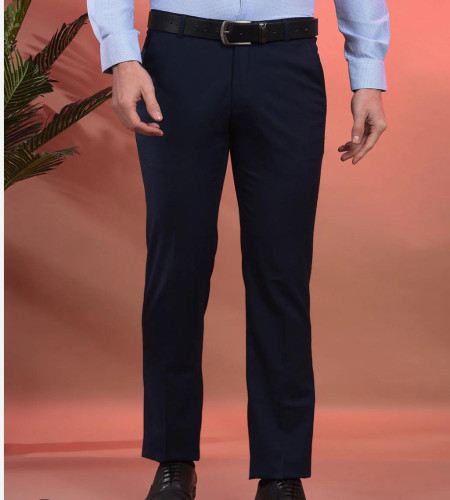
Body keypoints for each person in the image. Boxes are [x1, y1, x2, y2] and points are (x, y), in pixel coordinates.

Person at [87, 1, 390, 499]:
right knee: (175, 268)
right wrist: (122, 56)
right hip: (178, 59)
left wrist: (369, 76)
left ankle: (281, 470)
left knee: (282, 272)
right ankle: (172, 460)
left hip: (286, 60)